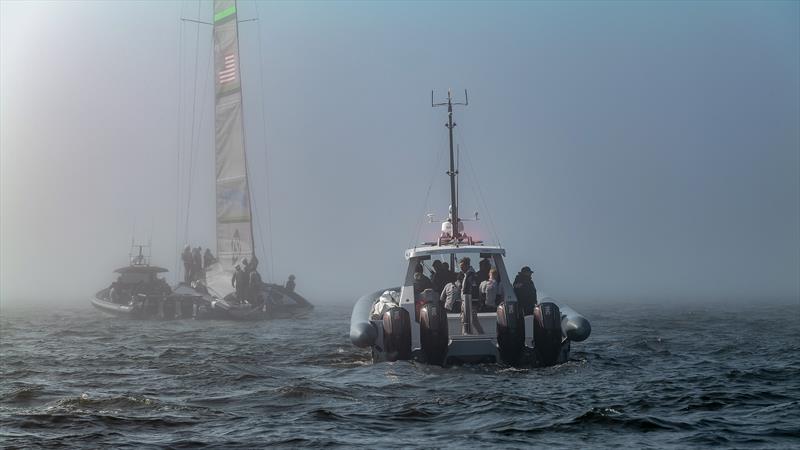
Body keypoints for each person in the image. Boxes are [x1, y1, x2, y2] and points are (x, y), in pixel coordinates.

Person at [458, 257, 485, 335]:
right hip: (465, 301)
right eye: (460, 267)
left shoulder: (472, 276)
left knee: (473, 320)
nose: (461, 268)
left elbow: (473, 290)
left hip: (470, 302)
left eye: (462, 266)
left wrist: (473, 302)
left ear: (467, 265)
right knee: (465, 320)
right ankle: (465, 335)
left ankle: (481, 335)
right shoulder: (465, 275)